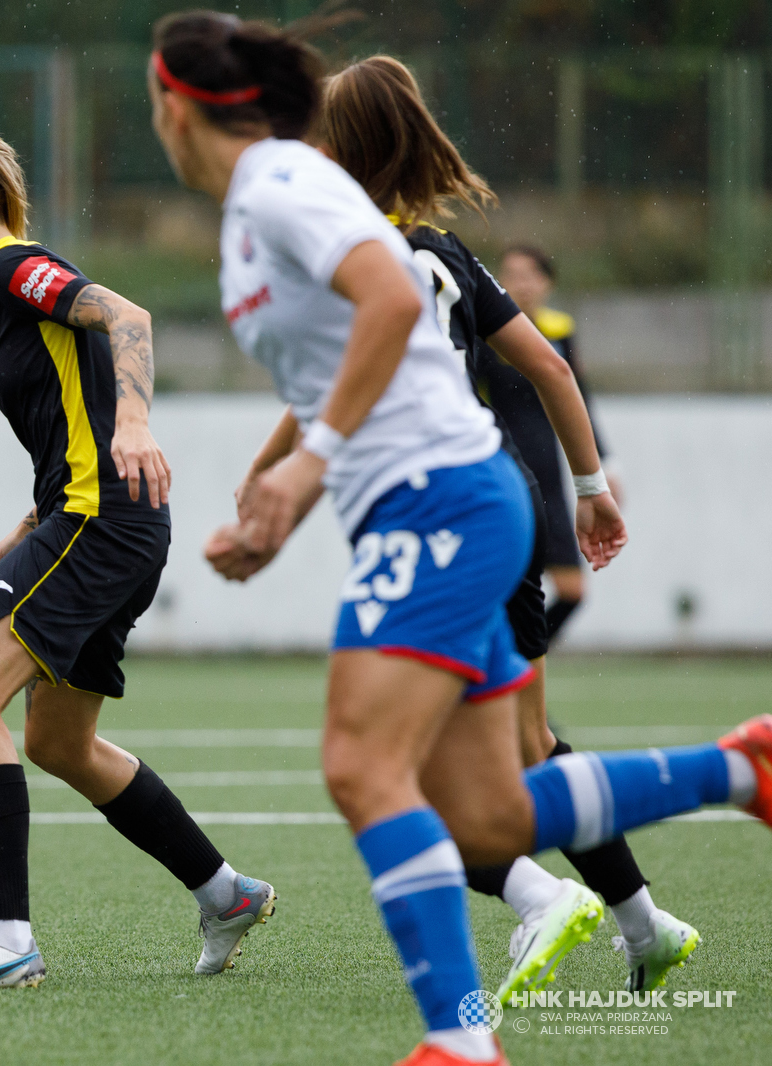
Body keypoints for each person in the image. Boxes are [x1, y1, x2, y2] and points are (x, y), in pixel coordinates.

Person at [148, 11, 770, 1066]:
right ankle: (744, 770)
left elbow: (391, 296)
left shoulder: (276, 185)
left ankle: (457, 1040)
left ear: (174, 104)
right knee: (485, 818)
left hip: (441, 501)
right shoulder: (262, 204)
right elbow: (351, 350)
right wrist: (283, 490)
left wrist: (306, 465)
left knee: (359, 762)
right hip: (435, 499)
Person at [315, 55, 696, 997]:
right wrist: (592, 486)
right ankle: (645, 925)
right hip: (507, 501)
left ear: (339, 147)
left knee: (394, 770)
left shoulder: (348, 253)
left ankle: (540, 899)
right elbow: (552, 373)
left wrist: (289, 472)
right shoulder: (446, 252)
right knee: (529, 750)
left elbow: (343, 382)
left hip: (434, 518)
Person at [0, 132, 276, 992]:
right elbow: (75, 410)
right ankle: (226, 894)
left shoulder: (9, 268)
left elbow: (127, 318)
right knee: (60, 742)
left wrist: (136, 425)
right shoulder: (7, 294)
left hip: (99, 523)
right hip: (100, 522)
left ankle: (5, 943)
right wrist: (27, 521)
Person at [493, 243, 613, 646]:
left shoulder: (560, 331)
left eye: (530, 275)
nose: (521, 284)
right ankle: (507, 691)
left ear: (548, 283)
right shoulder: (485, 332)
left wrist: (603, 468)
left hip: (550, 476)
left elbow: (579, 398)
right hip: (504, 470)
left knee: (572, 591)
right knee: (510, 590)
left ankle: (510, 664)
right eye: (511, 275)